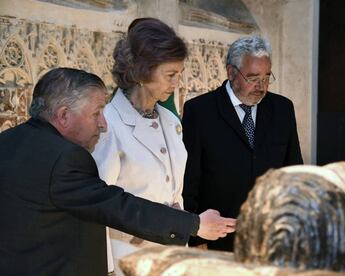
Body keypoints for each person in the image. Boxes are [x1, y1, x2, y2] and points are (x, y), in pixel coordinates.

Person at [0, 67, 236, 276]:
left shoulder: (6, 142)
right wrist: (194, 225)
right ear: (63, 116)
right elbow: (119, 207)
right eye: (96, 113)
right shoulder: (66, 158)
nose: (103, 124)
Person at [91, 18, 235, 274]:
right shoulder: (109, 125)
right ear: (142, 73)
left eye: (179, 74)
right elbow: (102, 207)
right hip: (129, 259)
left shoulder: (170, 121)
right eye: (170, 75)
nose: (176, 82)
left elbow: (173, 191)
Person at [182, 36, 303, 251]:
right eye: (253, 78)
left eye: (267, 77)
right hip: (219, 239)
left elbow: (293, 173)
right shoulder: (199, 111)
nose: (261, 86)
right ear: (231, 72)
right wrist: (196, 236)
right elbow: (190, 178)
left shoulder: (283, 109)